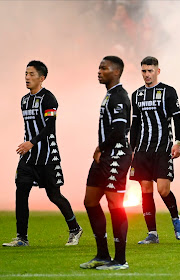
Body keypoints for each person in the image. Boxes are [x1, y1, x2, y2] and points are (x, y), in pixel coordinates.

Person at [3, 61, 82, 247]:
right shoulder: (24, 100)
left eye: (31, 74)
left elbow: (50, 127)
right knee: (21, 192)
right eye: (25, 74)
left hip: (46, 155)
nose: (27, 78)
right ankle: (21, 238)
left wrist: (32, 143)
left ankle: (75, 229)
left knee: (54, 195)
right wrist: (28, 145)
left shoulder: (48, 99)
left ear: (42, 78)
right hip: (28, 156)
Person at [80, 56, 131, 270]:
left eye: (104, 68)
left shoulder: (119, 96)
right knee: (90, 201)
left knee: (114, 205)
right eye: (99, 67)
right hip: (105, 156)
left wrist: (101, 147)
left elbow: (120, 130)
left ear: (116, 72)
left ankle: (120, 260)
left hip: (116, 155)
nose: (99, 71)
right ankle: (102, 254)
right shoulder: (109, 95)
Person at [130, 56, 180, 244]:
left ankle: (175, 218)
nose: (147, 74)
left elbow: (177, 119)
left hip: (162, 148)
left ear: (157, 71)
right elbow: (135, 124)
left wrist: (177, 142)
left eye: (150, 70)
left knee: (163, 190)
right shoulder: (136, 95)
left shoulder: (168, 92)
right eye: (144, 71)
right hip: (143, 150)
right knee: (145, 190)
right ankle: (152, 233)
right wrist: (131, 150)